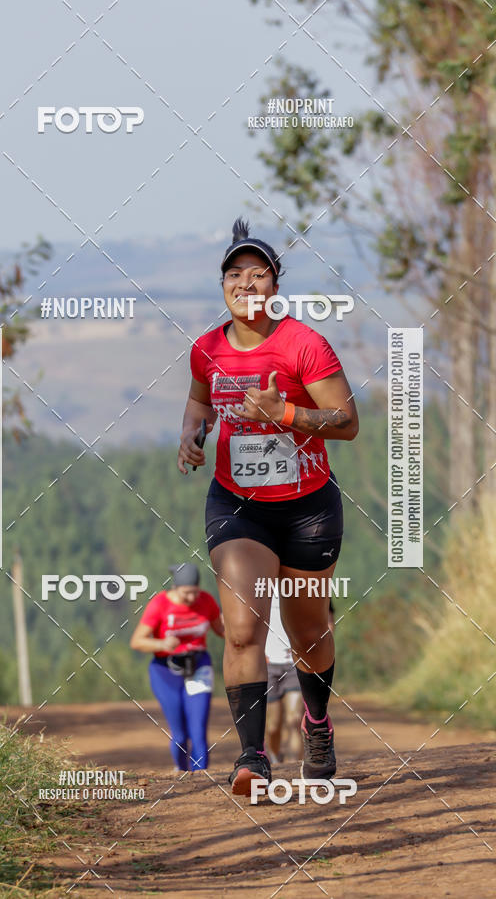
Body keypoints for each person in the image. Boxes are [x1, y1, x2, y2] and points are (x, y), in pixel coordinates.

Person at [177, 218, 358, 795]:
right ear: (223, 285)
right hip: (238, 507)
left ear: (275, 288)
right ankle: (253, 758)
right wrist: (192, 435)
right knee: (240, 630)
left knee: (308, 634)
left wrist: (284, 415)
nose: (247, 284)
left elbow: (347, 422)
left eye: (260, 275)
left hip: (308, 509)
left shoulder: (305, 345)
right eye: (236, 275)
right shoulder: (206, 349)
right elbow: (198, 400)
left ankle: (317, 723)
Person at [129, 563, 224, 771]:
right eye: (186, 593)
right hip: (165, 671)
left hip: (198, 666)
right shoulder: (160, 604)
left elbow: (222, 630)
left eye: (195, 592)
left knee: (198, 730)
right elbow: (137, 641)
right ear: (175, 587)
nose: (191, 598)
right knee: (180, 734)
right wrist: (162, 644)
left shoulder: (206, 601)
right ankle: (182, 773)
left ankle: (201, 777)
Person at [265, 586, 304, 765]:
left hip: (294, 665)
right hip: (268, 666)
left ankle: (296, 766)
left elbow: (322, 620)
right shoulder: (258, 586)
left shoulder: (302, 585)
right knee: (273, 727)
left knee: (295, 720)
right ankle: (275, 761)